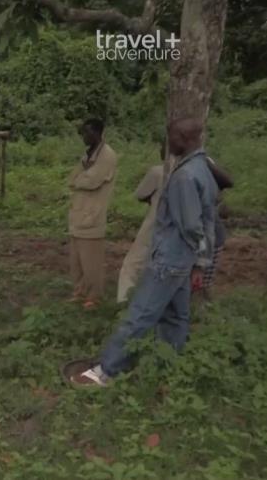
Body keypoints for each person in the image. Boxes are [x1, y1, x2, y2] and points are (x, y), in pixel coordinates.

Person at [73, 118, 218, 386]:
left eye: (172, 137)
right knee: (176, 316)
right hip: (184, 260)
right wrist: (200, 261)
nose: (168, 143)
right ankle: (167, 365)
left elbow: (192, 226)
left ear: (184, 138)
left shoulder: (184, 176)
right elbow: (209, 218)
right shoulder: (203, 167)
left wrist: (190, 255)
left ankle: (106, 371)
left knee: (140, 313)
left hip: (170, 258)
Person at [67, 118, 117, 309]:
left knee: (91, 261)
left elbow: (90, 181)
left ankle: (94, 296)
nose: (84, 137)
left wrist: (81, 177)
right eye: (82, 133)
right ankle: (79, 292)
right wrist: (81, 176)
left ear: (98, 133)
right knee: (76, 259)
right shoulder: (88, 155)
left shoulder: (107, 156)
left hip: (93, 214)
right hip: (78, 212)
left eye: (87, 133)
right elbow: (72, 179)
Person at [116, 145, 165, 303]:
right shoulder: (191, 171)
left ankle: (124, 302)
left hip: (155, 225)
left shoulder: (158, 171)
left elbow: (141, 195)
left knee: (132, 266)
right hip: (179, 230)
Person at [201, 157, 234, 296]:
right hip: (206, 236)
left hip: (209, 238)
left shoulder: (202, 163)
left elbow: (227, 182)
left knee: (202, 286)